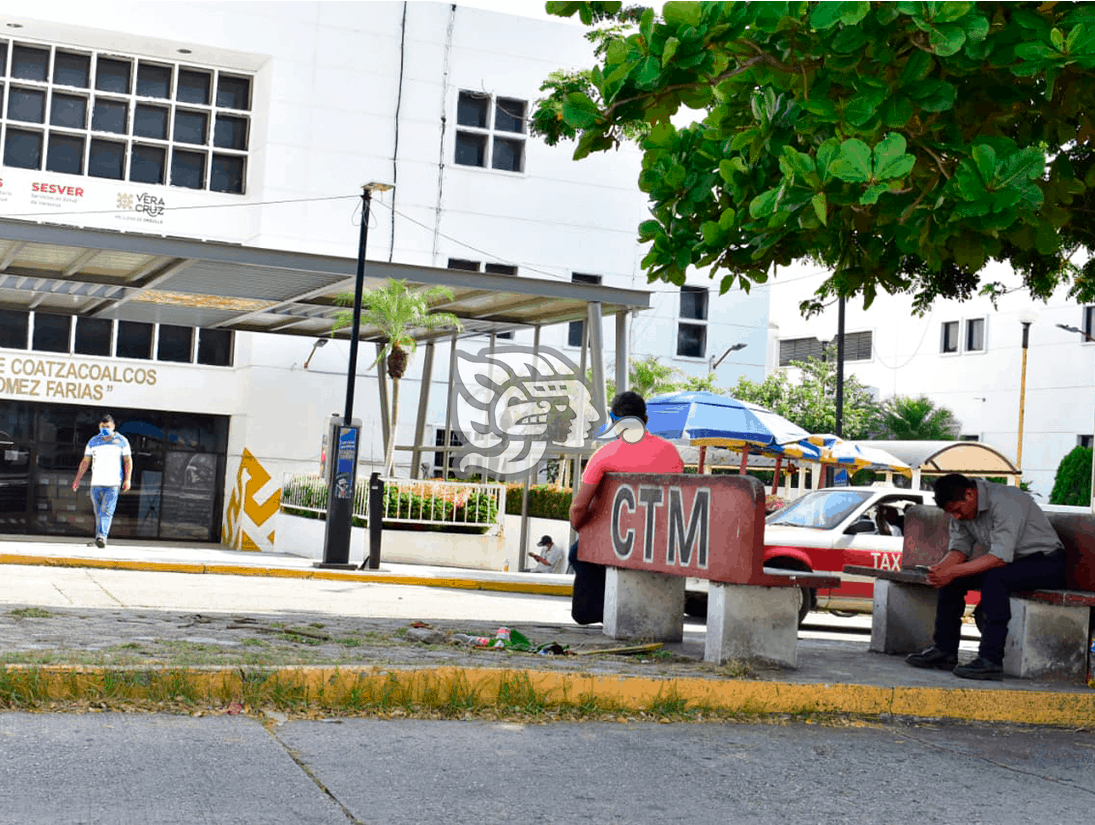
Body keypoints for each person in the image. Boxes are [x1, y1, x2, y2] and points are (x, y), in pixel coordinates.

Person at [905, 473, 1065, 681]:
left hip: (1046, 562)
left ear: (970, 494)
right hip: (1011, 563)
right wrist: (941, 571)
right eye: (951, 513)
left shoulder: (1007, 502)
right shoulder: (960, 511)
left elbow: (999, 557)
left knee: (995, 579)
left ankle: (990, 660)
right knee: (953, 581)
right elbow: (959, 549)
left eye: (958, 511)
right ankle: (944, 651)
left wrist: (952, 571)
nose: (957, 517)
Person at [567, 390, 684, 625]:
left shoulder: (604, 455)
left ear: (613, 421)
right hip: (659, 537)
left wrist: (580, 526)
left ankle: (598, 610)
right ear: (646, 420)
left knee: (577, 553)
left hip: (617, 536)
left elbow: (579, 507)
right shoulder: (670, 452)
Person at [71, 414, 132, 549]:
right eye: (103, 427)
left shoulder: (122, 441)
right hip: (96, 483)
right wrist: (77, 479)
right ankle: (99, 536)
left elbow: (128, 461)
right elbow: (85, 461)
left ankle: (101, 537)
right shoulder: (93, 441)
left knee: (106, 512)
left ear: (113, 427)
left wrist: (127, 479)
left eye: (108, 427)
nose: (105, 429)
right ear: (99, 426)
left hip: (113, 484)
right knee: (98, 513)